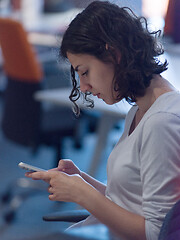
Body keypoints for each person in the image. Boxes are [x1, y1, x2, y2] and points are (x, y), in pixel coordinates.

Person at [25, 1, 180, 239]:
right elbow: (130, 201)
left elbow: (156, 232)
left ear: (114, 54)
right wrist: (81, 181)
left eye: (85, 72)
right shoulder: (140, 110)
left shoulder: (161, 122)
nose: (84, 87)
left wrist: (82, 194)